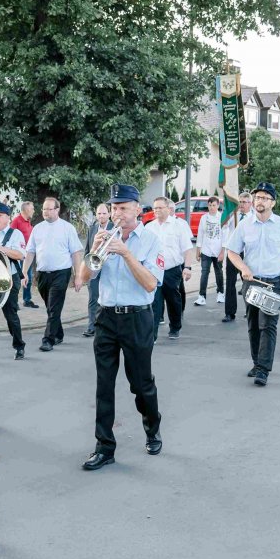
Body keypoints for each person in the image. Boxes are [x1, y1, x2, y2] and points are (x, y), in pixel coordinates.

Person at [76, 184, 163, 470]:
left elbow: (150, 283)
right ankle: (104, 447)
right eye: (114, 208)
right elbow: (84, 277)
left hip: (137, 318)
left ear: (137, 209)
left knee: (141, 384)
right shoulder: (104, 237)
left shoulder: (150, 240)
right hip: (106, 317)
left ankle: (152, 427)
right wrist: (95, 249)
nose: (118, 214)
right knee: (104, 384)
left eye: (123, 208)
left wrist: (126, 253)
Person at [226, 182, 280, 386]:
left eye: (265, 198)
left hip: (274, 282)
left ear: (273, 203)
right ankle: (257, 362)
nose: (260, 201)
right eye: (257, 197)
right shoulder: (244, 225)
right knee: (253, 324)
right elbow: (232, 251)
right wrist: (243, 268)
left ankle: (263, 369)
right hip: (252, 282)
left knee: (268, 325)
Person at [26, 197, 83, 352]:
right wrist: (24, 272)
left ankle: (48, 340)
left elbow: (76, 253)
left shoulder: (67, 228)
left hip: (61, 273)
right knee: (51, 307)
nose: (46, 212)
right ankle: (58, 333)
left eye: (49, 209)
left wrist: (78, 275)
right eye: (44, 209)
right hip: (42, 274)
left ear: (57, 210)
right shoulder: (37, 228)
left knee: (53, 307)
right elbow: (30, 251)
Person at [0, 201, 27, 360]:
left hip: (9, 278)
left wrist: (1, 248)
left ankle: (19, 346)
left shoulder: (15, 234)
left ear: (8, 218)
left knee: (10, 315)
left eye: (0, 215)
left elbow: (20, 255)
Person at [149, 196, 193, 340]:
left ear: (168, 209)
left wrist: (187, 267)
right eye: (155, 208)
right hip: (154, 271)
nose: (157, 210)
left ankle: (175, 327)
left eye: (160, 207)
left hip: (172, 271)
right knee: (154, 302)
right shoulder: (149, 227)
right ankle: (152, 335)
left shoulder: (179, 226)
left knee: (173, 300)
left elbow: (187, 249)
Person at [221, 191, 253, 322]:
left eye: (244, 202)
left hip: (247, 253)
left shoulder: (254, 218)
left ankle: (250, 310)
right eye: (240, 202)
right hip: (233, 252)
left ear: (250, 203)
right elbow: (222, 226)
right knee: (230, 283)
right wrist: (227, 217)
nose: (241, 204)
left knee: (248, 283)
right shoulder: (233, 215)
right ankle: (229, 313)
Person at [83, 203, 113, 337]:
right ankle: (92, 326)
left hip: (109, 269)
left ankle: (106, 326)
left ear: (109, 214)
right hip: (94, 268)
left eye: (104, 213)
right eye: (99, 213)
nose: (101, 216)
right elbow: (87, 250)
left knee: (108, 299)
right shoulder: (92, 228)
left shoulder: (114, 228)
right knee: (93, 298)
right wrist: (85, 268)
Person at [194, 196, 225, 307]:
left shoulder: (222, 217)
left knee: (218, 272)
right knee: (204, 273)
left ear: (218, 205)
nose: (212, 207)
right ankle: (201, 296)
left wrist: (222, 252)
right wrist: (198, 250)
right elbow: (200, 234)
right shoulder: (204, 218)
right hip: (206, 251)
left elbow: (224, 236)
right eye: (210, 205)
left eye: (214, 205)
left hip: (217, 251)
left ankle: (220, 293)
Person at [11, 202, 38, 307]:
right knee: (18, 279)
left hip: (28, 255)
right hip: (18, 255)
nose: (33, 211)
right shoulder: (16, 221)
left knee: (28, 278)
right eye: (32, 209)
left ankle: (27, 300)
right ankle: (14, 302)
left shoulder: (28, 221)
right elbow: (10, 236)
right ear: (26, 210)